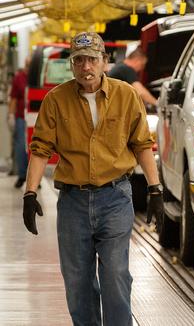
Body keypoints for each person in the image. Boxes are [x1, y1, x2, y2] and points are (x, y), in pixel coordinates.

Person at [21, 32, 164, 326]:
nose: (86, 67)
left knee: (115, 274)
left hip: (115, 198)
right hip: (73, 202)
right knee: (77, 281)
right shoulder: (56, 100)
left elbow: (142, 145)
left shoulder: (126, 96)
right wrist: (30, 193)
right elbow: (40, 150)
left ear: (104, 62)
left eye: (92, 60)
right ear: (72, 65)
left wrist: (155, 189)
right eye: (79, 61)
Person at [8, 58, 29, 188]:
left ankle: (34, 178)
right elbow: (14, 98)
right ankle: (22, 175)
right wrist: (11, 115)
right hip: (21, 116)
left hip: (35, 116)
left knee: (35, 148)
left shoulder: (37, 77)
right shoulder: (19, 78)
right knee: (20, 146)